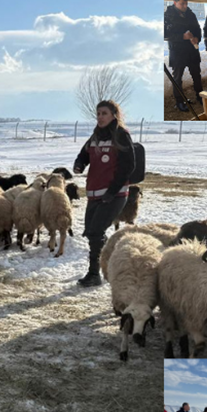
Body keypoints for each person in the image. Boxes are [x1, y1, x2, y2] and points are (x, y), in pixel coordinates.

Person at [73, 100, 135, 287]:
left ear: (114, 115)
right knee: (92, 232)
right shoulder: (95, 136)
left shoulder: (121, 135)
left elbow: (128, 165)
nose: (100, 117)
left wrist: (113, 191)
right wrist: (79, 164)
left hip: (114, 194)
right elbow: (84, 154)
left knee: (96, 231)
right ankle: (109, 255)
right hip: (94, 192)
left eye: (104, 113)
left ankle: (94, 274)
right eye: (98, 113)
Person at [165, 0, 203, 112]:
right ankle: (180, 101)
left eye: (186, 3)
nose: (185, 6)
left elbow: (198, 29)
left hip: (192, 50)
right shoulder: (167, 16)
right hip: (177, 51)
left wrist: (197, 37)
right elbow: (165, 35)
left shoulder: (191, 14)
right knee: (177, 78)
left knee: (196, 75)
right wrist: (182, 37)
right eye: (182, 4)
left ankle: (200, 96)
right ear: (175, 2)